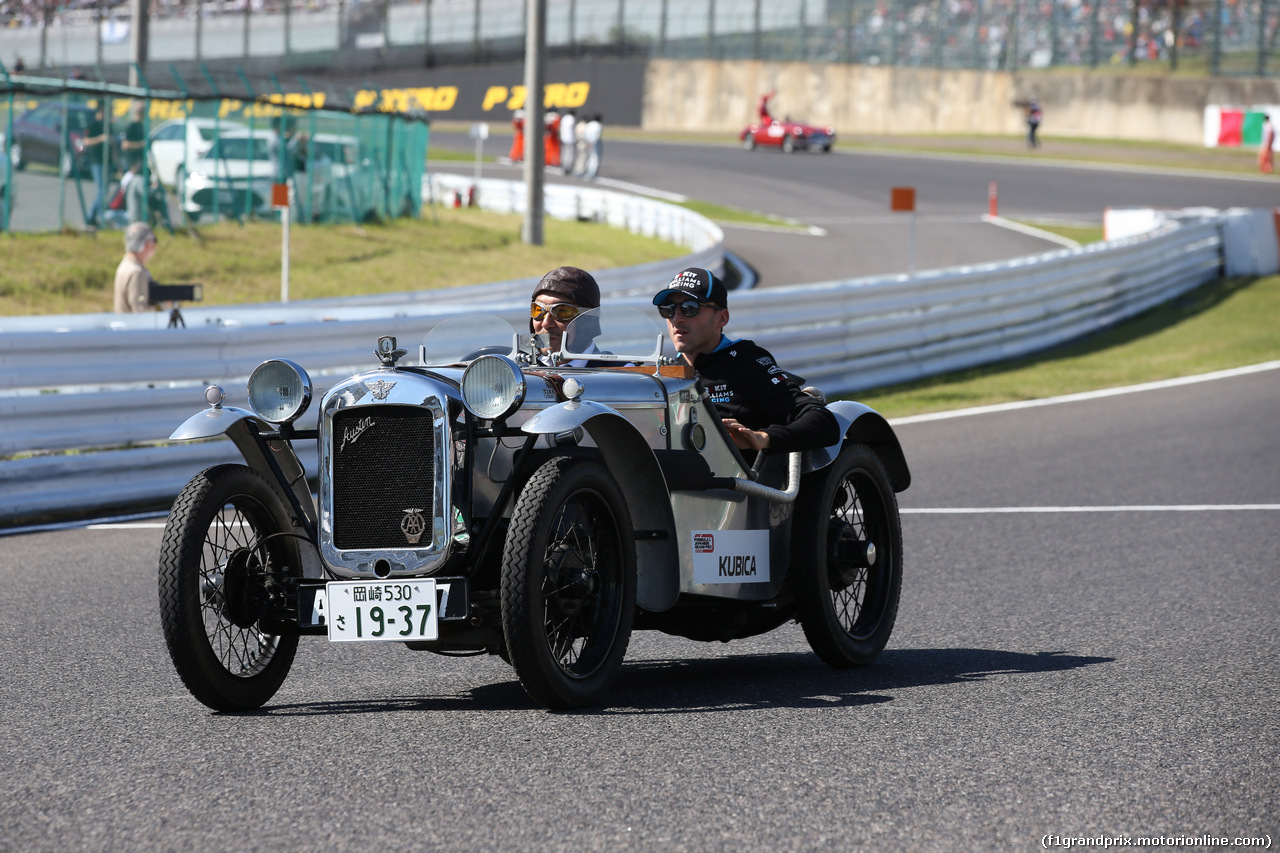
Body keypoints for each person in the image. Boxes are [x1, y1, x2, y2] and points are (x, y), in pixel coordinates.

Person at [652, 267, 839, 454]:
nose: (677, 318)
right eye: (667, 310)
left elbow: (824, 422)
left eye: (689, 308)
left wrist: (762, 437)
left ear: (722, 318)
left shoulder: (746, 361)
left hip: (738, 479)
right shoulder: (667, 371)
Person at [530, 265, 600, 361]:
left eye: (562, 311)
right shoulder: (517, 372)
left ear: (588, 320)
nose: (546, 323)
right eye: (538, 310)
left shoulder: (618, 374)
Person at [113, 222, 157, 313]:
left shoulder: (125, 266)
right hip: (135, 325)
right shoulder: (137, 272)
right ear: (146, 244)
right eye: (153, 241)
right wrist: (161, 310)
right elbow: (139, 305)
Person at [82, 104, 110, 228]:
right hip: (97, 162)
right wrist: (100, 138)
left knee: (105, 191)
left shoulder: (107, 126)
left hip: (108, 163)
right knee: (102, 191)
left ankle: (96, 217)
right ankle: (92, 217)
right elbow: (86, 141)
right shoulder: (93, 124)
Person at [120, 100, 148, 174]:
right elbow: (125, 145)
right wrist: (141, 144)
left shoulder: (142, 126)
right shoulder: (132, 127)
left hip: (140, 163)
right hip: (132, 164)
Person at [581, 114, 603, 180]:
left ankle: (587, 172)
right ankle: (592, 174)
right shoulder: (598, 125)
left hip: (588, 142)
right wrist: (593, 143)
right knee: (595, 159)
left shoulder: (589, 124)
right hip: (594, 144)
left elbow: (585, 134)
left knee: (589, 158)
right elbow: (597, 136)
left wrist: (587, 142)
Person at [558, 109, 576, 175]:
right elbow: (573, 130)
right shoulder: (572, 119)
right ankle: (568, 167)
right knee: (569, 154)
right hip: (570, 138)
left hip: (563, 138)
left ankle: (563, 166)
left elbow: (561, 128)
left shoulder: (564, 118)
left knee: (564, 153)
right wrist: (574, 139)